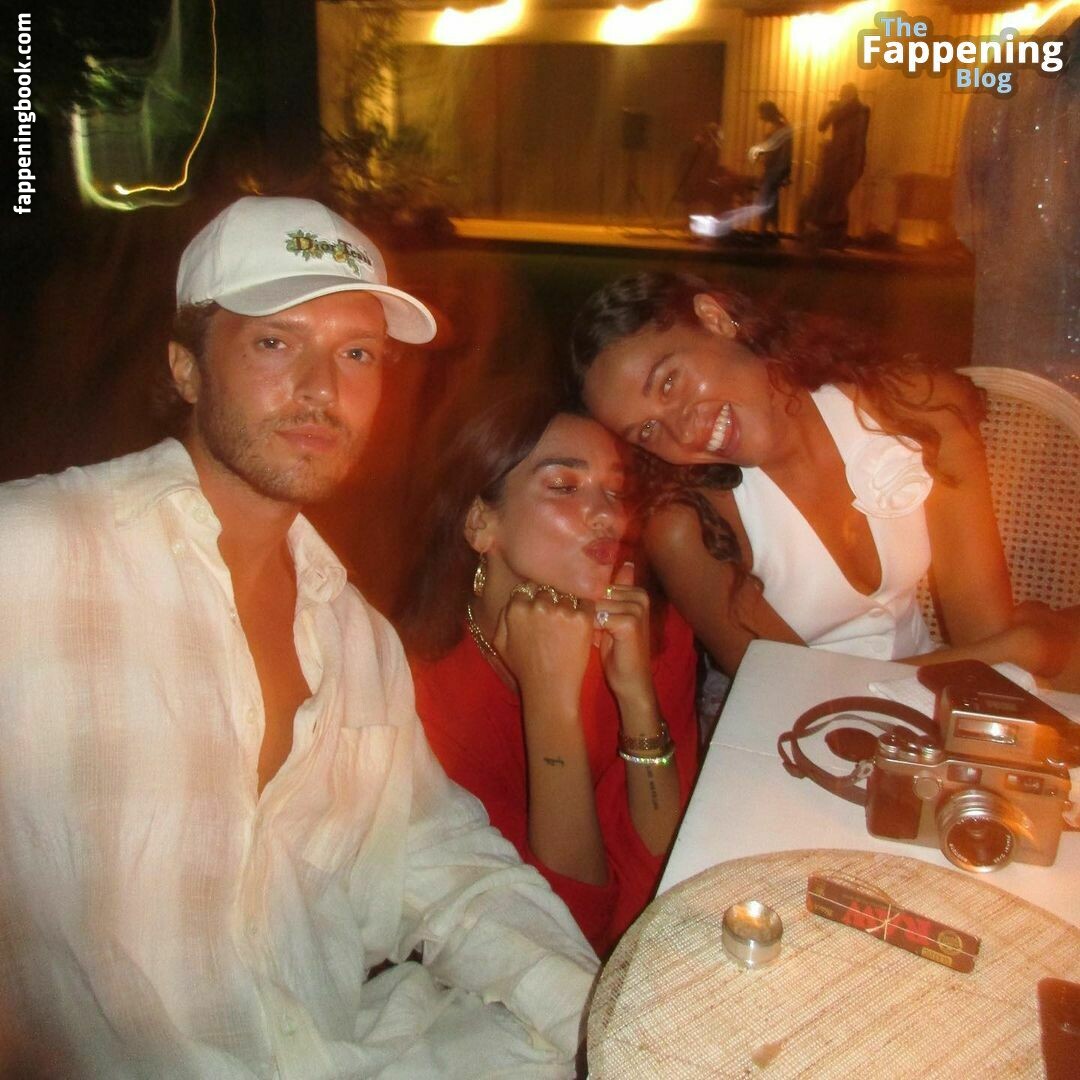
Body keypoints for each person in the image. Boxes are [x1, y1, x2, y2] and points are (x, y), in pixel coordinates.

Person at [0, 196, 598, 1078]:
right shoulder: (33, 556)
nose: (323, 389)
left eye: (357, 354)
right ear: (187, 368)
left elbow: (435, 855)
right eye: (276, 342)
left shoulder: (356, 638)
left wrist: (601, 1016)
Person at [569, 271, 1080, 690]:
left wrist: (1003, 651)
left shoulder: (915, 407)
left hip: (942, 706)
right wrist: (1023, 647)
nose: (683, 431)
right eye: (647, 430)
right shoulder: (689, 529)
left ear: (715, 318)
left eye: (669, 382)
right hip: (800, 744)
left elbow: (983, 635)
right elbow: (788, 697)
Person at [399, 392, 699, 957]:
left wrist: (636, 696)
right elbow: (566, 932)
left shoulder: (654, 637)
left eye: (615, 491)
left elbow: (671, 874)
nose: (608, 515)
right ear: (481, 523)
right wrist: (551, 701)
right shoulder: (417, 698)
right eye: (564, 486)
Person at [800, 83, 870, 248]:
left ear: (850, 95)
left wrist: (833, 108)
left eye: (843, 95)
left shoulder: (860, 110)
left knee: (838, 198)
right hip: (843, 161)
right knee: (836, 198)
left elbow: (825, 124)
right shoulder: (848, 110)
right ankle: (834, 236)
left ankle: (834, 236)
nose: (841, 98)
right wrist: (833, 109)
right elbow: (822, 125)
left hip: (848, 161)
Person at [747, 101, 793, 236]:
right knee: (771, 201)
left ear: (768, 112)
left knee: (764, 200)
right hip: (774, 169)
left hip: (774, 170)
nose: (760, 116)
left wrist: (781, 171)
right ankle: (773, 231)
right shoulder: (779, 127)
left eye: (761, 112)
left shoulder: (780, 128)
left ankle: (763, 231)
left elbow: (782, 152)